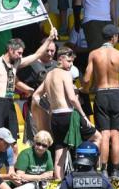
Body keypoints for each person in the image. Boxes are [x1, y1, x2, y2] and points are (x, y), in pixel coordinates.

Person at [0, 32, 57, 140]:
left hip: (10, 102)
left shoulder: (16, 63)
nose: (20, 56)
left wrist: (49, 39)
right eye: (19, 53)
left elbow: (36, 55)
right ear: (10, 50)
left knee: (12, 140)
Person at [37, 46, 92, 179]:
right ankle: (87, 176)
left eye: (72, 62)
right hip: (68, 114)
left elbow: (36, 96)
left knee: (59, 154)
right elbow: (72, 99)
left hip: (55, 116)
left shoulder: (49, 74)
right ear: (60, 59)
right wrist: (84, 116)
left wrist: (48, 108)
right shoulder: (65, 74)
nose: (71, 64)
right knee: (97, 138)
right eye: (69, 61)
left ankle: (59, 188)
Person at [82, 24, 119, 178]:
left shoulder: (94, 54)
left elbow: (86, 78)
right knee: (116, 134)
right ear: (113, 37)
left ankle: (103, 170)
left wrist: (85, 89)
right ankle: (115, 171)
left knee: (104, 134)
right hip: (116, 94)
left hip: (101, 94)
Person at [17, 40, 57, 141]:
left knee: (51, 139)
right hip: (35, 109)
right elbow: (14, 79)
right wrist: (28, 90)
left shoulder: (57, 66)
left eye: (52, 51)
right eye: (47, 50)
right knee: (35, 140)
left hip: (53, 109)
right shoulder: (31, 64)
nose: (50, 53)